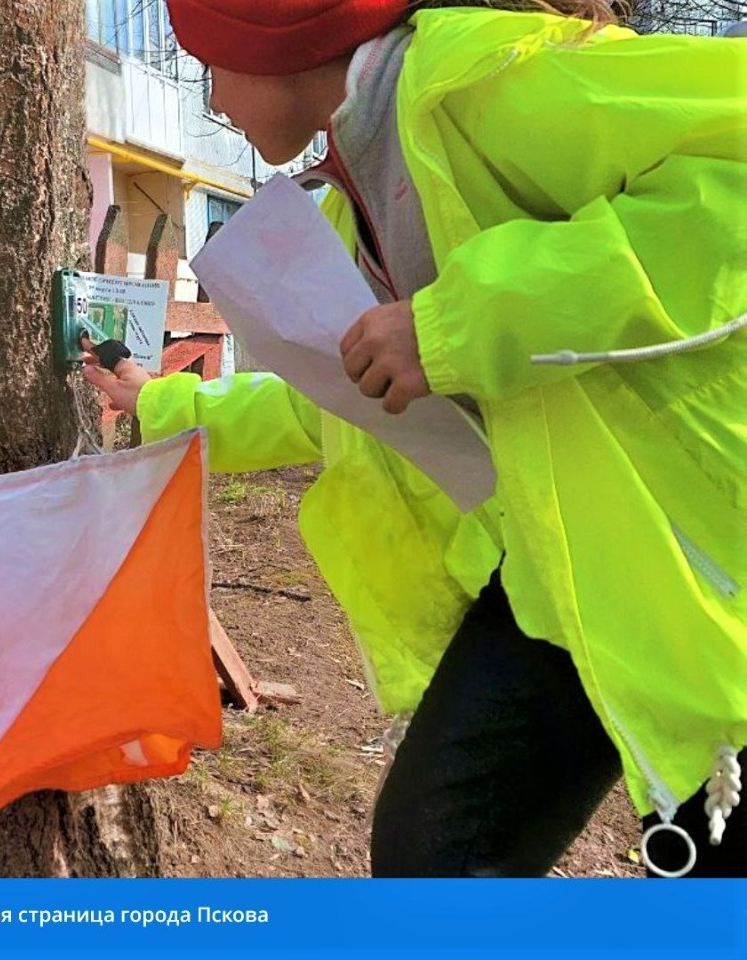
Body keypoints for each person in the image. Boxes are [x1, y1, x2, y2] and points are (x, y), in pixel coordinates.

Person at [82, 0, 746, 878]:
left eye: (214, 60)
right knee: (437, 851)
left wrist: (457, 326)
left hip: (702, 555)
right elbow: (338, 397)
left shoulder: (486, 89)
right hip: (574, 564)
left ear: (283, 40)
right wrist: (156, 406)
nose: (213, 97)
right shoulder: (359, 197)